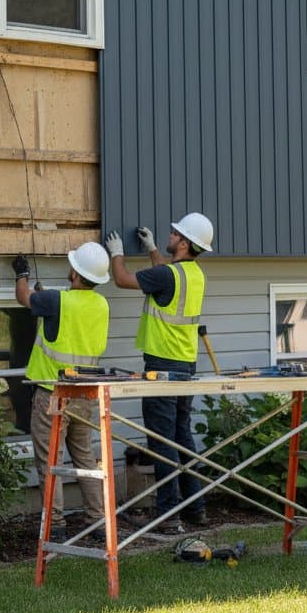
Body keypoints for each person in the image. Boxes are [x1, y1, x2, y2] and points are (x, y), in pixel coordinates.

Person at [105, 213, 214, 531]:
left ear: (183, 243)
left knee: (162, 443)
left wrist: (116, 254)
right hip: (185, 366)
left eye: (175, 233)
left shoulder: (168, 275)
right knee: (182, 438)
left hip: (162, 369)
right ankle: (196, 509)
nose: (170, 234)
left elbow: (123, 280)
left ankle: (168, 515)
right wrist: (152, 248)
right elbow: (164, 274)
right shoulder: (193, 274)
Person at [13, 242, 111, 543]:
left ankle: (54, 524)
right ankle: (96, 519)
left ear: (76, 274)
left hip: (52, 394)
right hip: (84, 394)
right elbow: (68, 324)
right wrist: (48, 300)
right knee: (84, 456)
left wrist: (21, 273)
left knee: (50, 460)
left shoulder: (57, 301)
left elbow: (24, 298)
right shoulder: (100, 304)